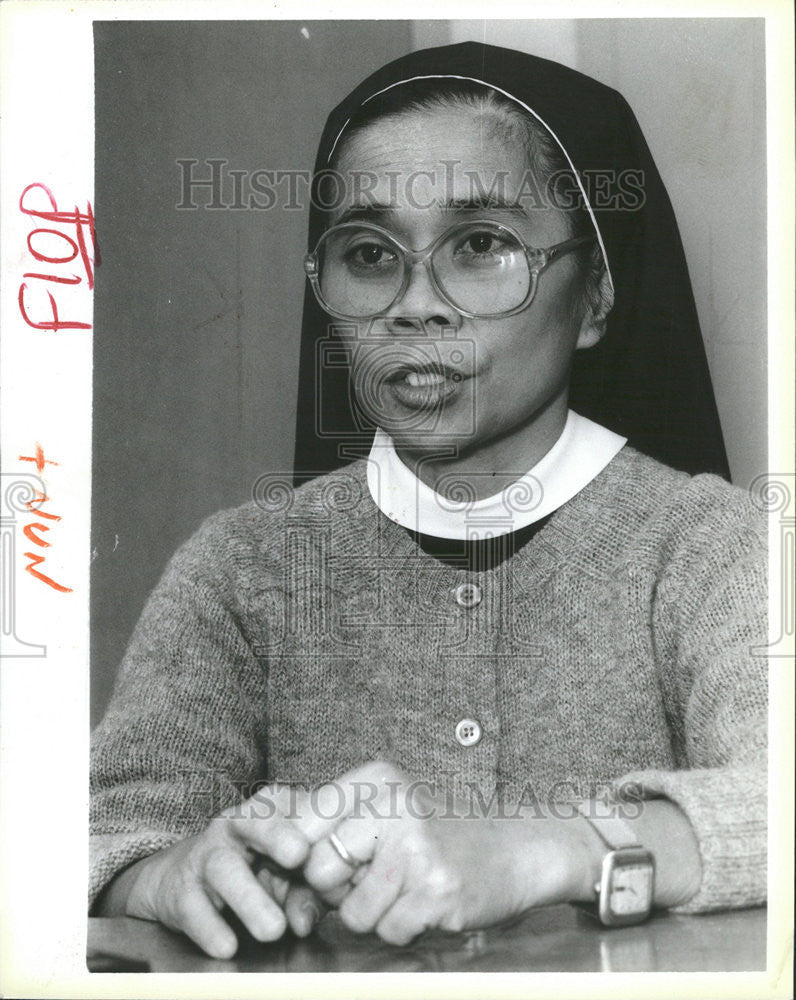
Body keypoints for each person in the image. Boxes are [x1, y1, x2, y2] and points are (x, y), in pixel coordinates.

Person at [90, 41, 767, 959]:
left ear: (597, 294)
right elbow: (100, 831)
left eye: (481, 245)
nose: (415, 306)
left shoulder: (714, 546)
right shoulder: (240, 567)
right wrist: (162, 874)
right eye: (369, 254)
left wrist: (546, 850)